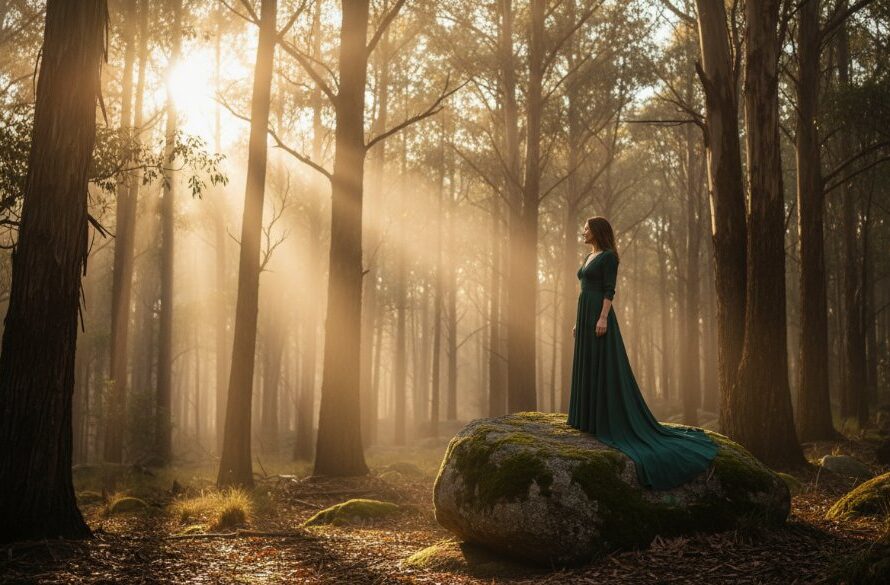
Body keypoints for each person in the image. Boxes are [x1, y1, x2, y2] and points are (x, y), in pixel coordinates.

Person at [567, 216, 718, 490]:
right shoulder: (590, 256)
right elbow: (584, 289)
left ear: (598, 231)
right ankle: (586, 417)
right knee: (587, 363)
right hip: (584, 312)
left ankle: (606, 417)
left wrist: (602, 318)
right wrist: (580, 320)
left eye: (587, 228)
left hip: (598, 315)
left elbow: (608, 291)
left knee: (603, 366)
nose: (583, 231)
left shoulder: (610, 257)